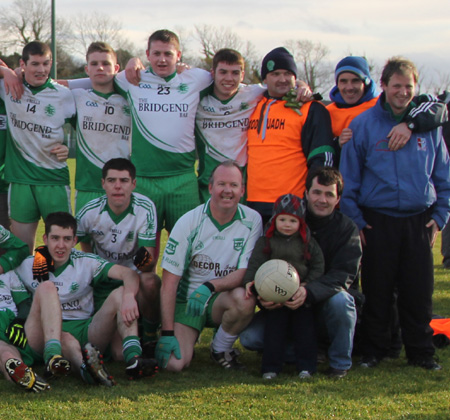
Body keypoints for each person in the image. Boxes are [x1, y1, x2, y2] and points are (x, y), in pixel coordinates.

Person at [340, 56, 450, 370]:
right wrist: (358, 221)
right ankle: (374, 351)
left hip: (419, 220)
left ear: (416, 89)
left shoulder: (427, 127)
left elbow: (443, 175)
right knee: (378, 289)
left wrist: (440, 215)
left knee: (418, 292)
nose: (402, 92)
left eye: (409, 87)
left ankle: (421, 352)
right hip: (377, 220)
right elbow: (350, 181)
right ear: (384, 85)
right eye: (397, 86)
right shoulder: (363, 125)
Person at [240, 167, 362, 378]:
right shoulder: (285, 219)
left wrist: (307, 291)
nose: (322, 199)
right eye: (317, 192)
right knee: (250, 338)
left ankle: (339, 363)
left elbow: (344, 274)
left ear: (338, 199)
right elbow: (262, 263)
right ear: (306, 194)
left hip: (323, 303)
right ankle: (306, 354)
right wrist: (266, 294)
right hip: (283, 305)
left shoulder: (347, 229)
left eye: (329, 194)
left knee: (342, 302)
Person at [13, 212, 158, 385]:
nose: (61, 245)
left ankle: (133, 358)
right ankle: (57, 359)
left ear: (75, 241)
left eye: (67, 239)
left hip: (86, 330)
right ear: (45, 238)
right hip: (43, 334)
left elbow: (128, 273)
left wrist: (128, 296)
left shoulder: (86, 262)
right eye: (55, 238)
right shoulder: (27, 265)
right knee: (47, 289)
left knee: (120, 293)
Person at [156, 160, 262, 372]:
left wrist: (210, 286)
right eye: (221, 184)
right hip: (188, 304)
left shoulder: (253, 220)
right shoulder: (189, 221)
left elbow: (245, 272)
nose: (227, 191)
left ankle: (220, 349)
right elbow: (169, 282)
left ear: (242, 190)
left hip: (221, 300)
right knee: (174, 365)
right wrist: (168, 333)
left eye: (233, 185)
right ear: (210, 187)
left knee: (244, 299)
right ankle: (163, 336)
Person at [115, 29, 212, 236]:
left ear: (178, 55)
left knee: (188, 243)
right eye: (156, 53)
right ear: (147, 55)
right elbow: (95, 81)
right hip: (144, 179)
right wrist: (132, 60)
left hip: (183, 179)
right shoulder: (130, 79)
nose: (162, 59)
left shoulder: (198, 78)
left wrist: (300, 85)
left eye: (168, 54)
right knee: (144, 249)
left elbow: (233, 84)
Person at [195, 48, 311, 203]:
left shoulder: (253, 93)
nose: (229, 78)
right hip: (209, 180)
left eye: (235, 73)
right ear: (213, 73)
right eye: (223, 72)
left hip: (243, 183)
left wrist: (302, 85)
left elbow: (281, 83)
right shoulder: (198, 99)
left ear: (242, 75)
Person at [76, 158, 160, 350]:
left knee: (151, 281)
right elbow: (73, 244)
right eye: (112, 180)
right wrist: (94, 265)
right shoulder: (89, 212)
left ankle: (150, 334)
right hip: (104, 280)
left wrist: (140, 261)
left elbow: (149, 261)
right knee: (117, 353)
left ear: (134, 184)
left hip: (134, 279)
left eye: (123, 180)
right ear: (103, 183)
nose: (118, 187)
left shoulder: (145, 208)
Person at [0, 41, 75, 252]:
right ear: (23, 63)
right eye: (34, 64)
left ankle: (59, 285)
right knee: (22, 250)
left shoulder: (63, 95)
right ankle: (28, 286)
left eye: (45, 63)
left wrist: (68, 148)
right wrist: (5, 71)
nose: (40, 69)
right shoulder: (8, 87)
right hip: (20, 180)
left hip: (53, 180)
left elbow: (86, 129)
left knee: (61, 248)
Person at [246, 47, 335, 224]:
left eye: (288, 73)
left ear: (295, 77)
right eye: (275, 74)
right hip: (253, 203)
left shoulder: (310, 108)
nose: (282, 79)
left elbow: (322, 161)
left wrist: (312, 200)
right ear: (265, 78)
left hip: (292, 204)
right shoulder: (251, 104)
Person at [243, 194, 324, 379]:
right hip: (274, 298)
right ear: (274, 219)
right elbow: (255, 264)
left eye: (292, 220)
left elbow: (318, 266)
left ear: (300, 222)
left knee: (305, 332)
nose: (287, 224)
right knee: (274, 333)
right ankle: (270, 368)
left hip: (299, 297)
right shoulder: (266, 242)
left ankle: (306, 367)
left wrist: (306, 285)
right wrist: (250, 282)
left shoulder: (307, 243)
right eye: (282, 219)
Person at [328, 56, 449, 165]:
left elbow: (438, 107)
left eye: (355, 81)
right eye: (343, 81)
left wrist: (410, 124)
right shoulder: (327, 112)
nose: (349, 87)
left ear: (366, 82)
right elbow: (320, 152)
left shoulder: (383, 105)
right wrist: (338, 144)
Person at [70, 42, 131, 213]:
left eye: (106, 64)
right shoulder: (76, 98)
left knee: (122, 239)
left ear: (116, 68)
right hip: (87, 186)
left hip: (121, 187)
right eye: (94, 64)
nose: (100, 68)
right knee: (87, 239)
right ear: (87, 69)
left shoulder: (131, 99)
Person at [0, 275, 71, 392]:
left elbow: (24, 304)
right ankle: (25, 377)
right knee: (6, 353)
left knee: (47, 287)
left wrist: (19, 321)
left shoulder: (7, 273)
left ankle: (52, 356)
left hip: (18, 328)